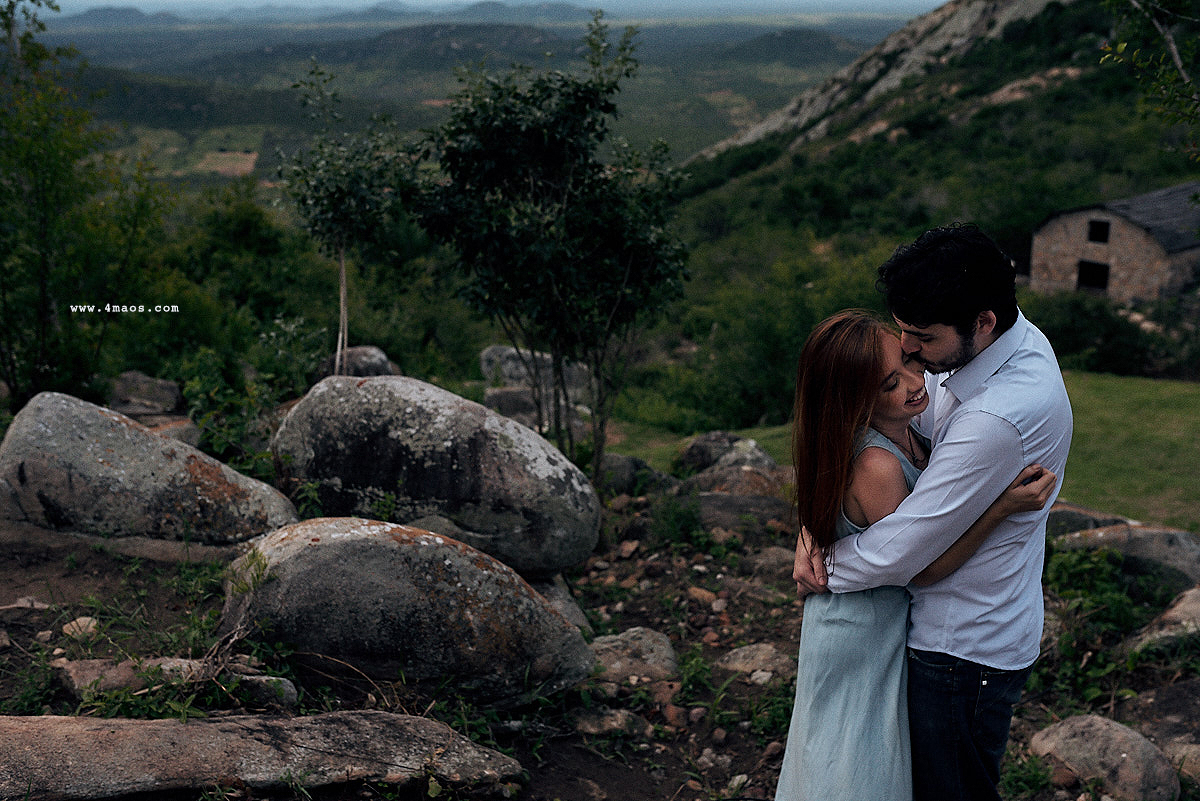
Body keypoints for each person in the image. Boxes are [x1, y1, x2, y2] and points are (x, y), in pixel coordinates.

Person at [792, 224, 1074, 801]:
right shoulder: (1008, 343)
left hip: (961, 642)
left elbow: (907, 556)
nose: (912, 354)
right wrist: (816, 522)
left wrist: (823, 566)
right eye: (902, 338)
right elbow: (882, 434)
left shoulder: (994, 420)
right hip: (954, 627)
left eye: (921, 339)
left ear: (983, 321)